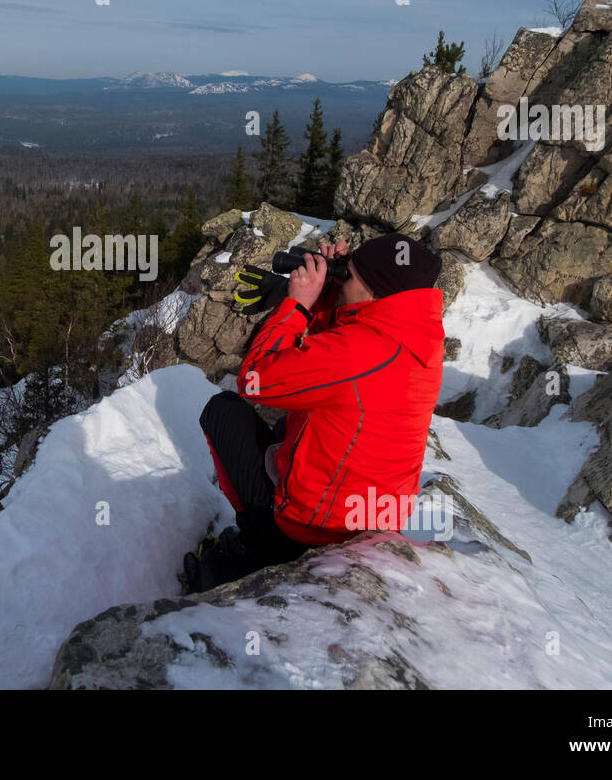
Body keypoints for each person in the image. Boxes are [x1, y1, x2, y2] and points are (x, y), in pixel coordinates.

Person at [186, 233, 445, 593]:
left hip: (311, 530)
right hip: (369, 523)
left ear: (373, 293)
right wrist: (328, 297)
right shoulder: (419, 338)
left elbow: (256, 380)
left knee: (223, 411)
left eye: (347, 276)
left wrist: (296, 306)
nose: (341, 280)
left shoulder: (359, 353)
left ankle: (258, 541)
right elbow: (343, 361)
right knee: (286, 430)